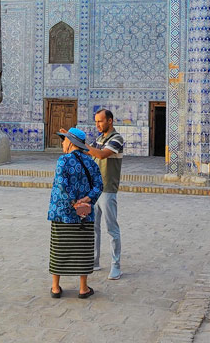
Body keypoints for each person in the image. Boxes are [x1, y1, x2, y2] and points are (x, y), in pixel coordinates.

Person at [47, 127, 103, 299]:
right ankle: (83, 288)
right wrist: (85, 200)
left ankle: (56, 287)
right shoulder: (91, 162)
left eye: (64, 140)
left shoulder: (63, 161)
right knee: (82, 249)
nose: (63, 143)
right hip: (84, 214)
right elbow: (99, 185)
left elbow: (61, 184)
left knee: (59, 247)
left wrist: (73, 202)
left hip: (62, 212)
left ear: (70, 143)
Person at [85, 108, 124, 279]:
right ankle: (94, 261)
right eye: (96, 121)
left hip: (108, 189)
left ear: (110, 121)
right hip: (95, 189)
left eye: (100, 121)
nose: (98, 124)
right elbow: (89, 153)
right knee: (93, 227)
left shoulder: (116, 139)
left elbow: (101, 155)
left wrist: (82, 145)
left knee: (111, 229)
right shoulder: (99, 139)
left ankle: (116, 266)